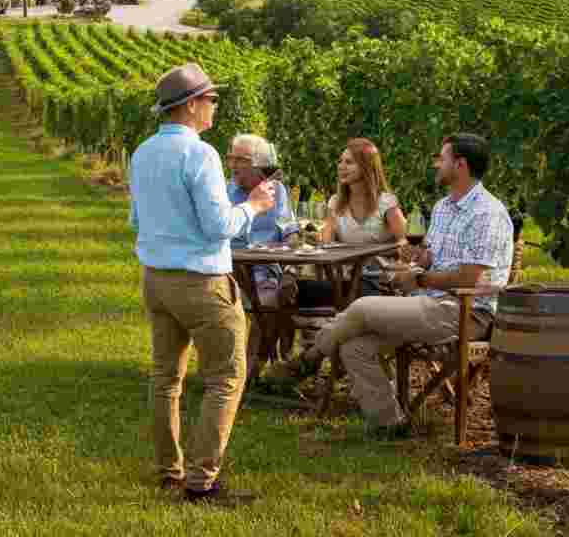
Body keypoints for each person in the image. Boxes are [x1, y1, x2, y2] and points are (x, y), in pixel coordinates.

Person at [267, 133, 513, 438]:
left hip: (466, 311)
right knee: (354, 347)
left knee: (362, 308)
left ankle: (307, 360)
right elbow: (431, 258)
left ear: (460, 165)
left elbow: (470, 279)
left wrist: (419, 279)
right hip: (426, 302)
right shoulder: (443, 207)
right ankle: (390, 426)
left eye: (442, 158)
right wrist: (415, 261)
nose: (436, 164)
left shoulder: (487, 213)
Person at [129, 63, 276, 506]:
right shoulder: (201, 154)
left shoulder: (142, 153)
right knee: (226, 377)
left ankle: (169, 472)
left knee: (165, 378)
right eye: (211, 99)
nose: (215, 105)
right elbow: (218, 227)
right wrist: (254, 205)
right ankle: (202, 482)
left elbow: (136, 219)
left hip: (156, 280)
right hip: (201, 282)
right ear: (191, 105)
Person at [226, 134, 333, 383]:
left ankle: (254, 370)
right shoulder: (223, 192)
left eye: (240, 159)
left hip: (267, 272)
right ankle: (253, 369)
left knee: (280, 297)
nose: (232, 165)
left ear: (260, 163)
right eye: (230, 158)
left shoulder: (278, 191)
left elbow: (290, 232)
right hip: (232, 273)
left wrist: (290, 272)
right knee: (269, 306)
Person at [320, 137, 408, 295]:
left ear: (367, 167)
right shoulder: (335, 203)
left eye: (349, 162)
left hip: (378, 279)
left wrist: (374, 255)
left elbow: (404, 242)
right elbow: (326, 244)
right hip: (344, 278)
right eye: (340, 161)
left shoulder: (386, 202)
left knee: (357, 292)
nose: (341, 166)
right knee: (302, 291)